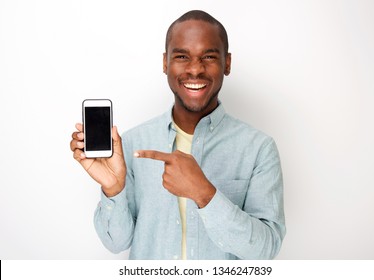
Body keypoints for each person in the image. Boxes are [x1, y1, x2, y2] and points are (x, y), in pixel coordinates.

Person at [70, 10, 285, 260]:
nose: (195, 69)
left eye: (209, 56)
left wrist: (205, 193)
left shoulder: (259, 149)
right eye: (182, 56)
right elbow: (116, 243)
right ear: (165, 63)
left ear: (227, 63)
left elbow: (266, 250)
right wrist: (113, 189)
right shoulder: (131, 144)